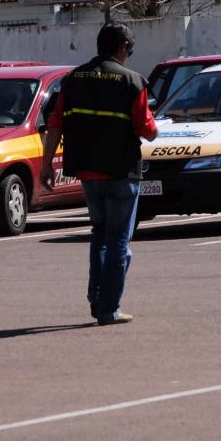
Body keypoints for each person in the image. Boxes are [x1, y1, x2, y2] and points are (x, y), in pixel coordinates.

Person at [40, 23, 158, 325]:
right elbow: (149, 130)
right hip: (121, 171)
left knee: (100, 234)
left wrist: (46, 165)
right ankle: (109, 308)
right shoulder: (132, 82)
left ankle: (97, 298)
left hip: (88, 171)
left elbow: (55, 125)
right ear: (122, 48)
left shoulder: (72, 80)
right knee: (119, 239)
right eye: (129, 50)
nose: (129, 55)